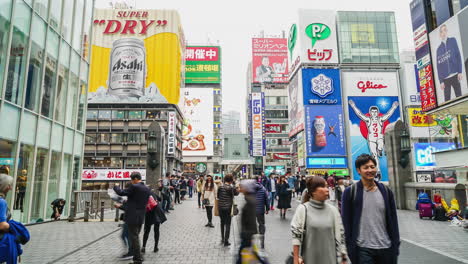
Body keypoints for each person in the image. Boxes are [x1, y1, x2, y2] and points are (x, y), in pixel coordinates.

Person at [341, 154, 400, 264]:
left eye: (372, 167)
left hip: (386, 247)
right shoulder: (350, 193)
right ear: (359, 170)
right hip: (363, 248)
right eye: (366, 167)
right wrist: (349, 248)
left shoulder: (386, 192)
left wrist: (395, 244)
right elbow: (346, 223)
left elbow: (393, 220)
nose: (370, 170)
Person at [291, 176, 347, 264]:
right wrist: (296, 258)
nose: (327, 189)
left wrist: (343, 258)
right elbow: (296, 237)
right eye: (323, 187)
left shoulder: (333, 210)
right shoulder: (303, 209)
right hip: (309, 260)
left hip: (331, 260)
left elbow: (341, 236)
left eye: (327, 186)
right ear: (313, 191)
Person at [349, 99, 399, 181]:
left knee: (380, 146)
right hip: (371, 138)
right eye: (373, 112)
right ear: (370, 113)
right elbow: (360, 114)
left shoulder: (381, 119)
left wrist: (394, 107)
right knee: (374, 156)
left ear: (377, 112)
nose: (374, 113)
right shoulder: (368, 120)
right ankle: (378, 171)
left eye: (376, 112)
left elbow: (388, 114)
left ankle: (380, 149)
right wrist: (353, 106)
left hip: (379, 137)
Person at [113, 172, 150, 264]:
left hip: (132, 216)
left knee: (134, 237)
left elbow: (121, 192)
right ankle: (138, 257)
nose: (132, 182)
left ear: (136, 178)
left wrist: (116, 186)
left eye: (132, 180)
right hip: (141, 216)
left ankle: (138, 259)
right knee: (135, 237)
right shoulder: (146, 188)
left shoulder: (135, 187)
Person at [436, 24, 463, 102]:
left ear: (447, 31)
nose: (443, 33)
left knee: (460, 98)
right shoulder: (438, 49)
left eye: (445, 30)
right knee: (447, 101)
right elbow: (439, 67)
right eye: (441, 31)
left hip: (455, 75)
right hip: (445, 79)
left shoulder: (453, 40)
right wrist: (441, 81)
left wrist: (460, 71)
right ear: (440, 34)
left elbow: (458, 56)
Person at [237, 180, 258, 264]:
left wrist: (245, 233)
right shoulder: (249, 199)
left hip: (247, 233)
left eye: (242, 187)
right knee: (247, 253)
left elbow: (250, 219)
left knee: (242, 254)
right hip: (247, 233)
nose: (240, 189)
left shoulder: (250, 201)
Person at [217, 174, 239, 246]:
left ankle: (223, 238)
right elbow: (237, 193)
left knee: (222, 223)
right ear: (231, 180)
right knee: (228, 224)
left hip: (220, 207)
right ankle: (226, 241)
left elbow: (218, 196)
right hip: (228, 208)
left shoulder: (220, 187)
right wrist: (236, 186)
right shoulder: (231, 188)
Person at [254, 179, 269, 248]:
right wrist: (267, 209)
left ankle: (252, 241)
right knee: (261, 224)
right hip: (260, 210)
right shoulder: (263, 189)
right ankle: (262, 238)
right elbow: (266, 200)